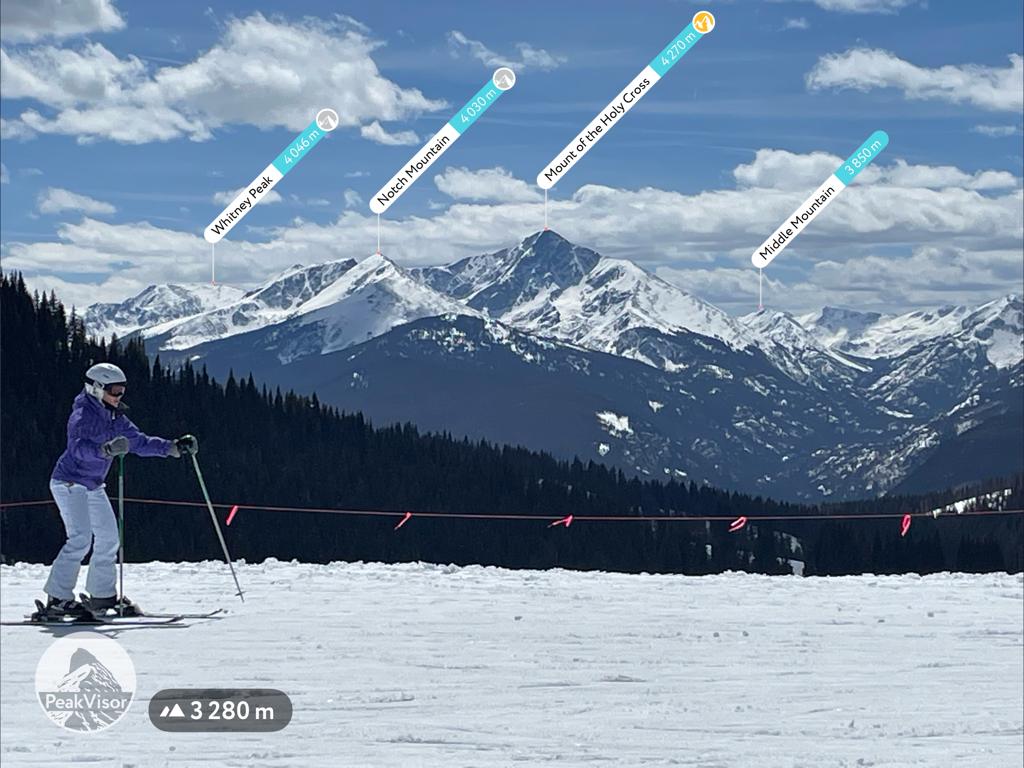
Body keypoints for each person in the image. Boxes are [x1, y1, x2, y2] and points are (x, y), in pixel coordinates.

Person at [41, 362, 197, 618]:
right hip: (69, 482)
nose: (119, 396)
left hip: (92, 485)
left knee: (109, 538)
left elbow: (138, 441)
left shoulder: (113, 416)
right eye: (114, 390)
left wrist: (172, 447)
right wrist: (104, 450)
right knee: (80, 539)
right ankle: (57, 599)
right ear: (96, 388)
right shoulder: (83, 416)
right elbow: (77, 447)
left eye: (122, 390)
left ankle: (102, 596)